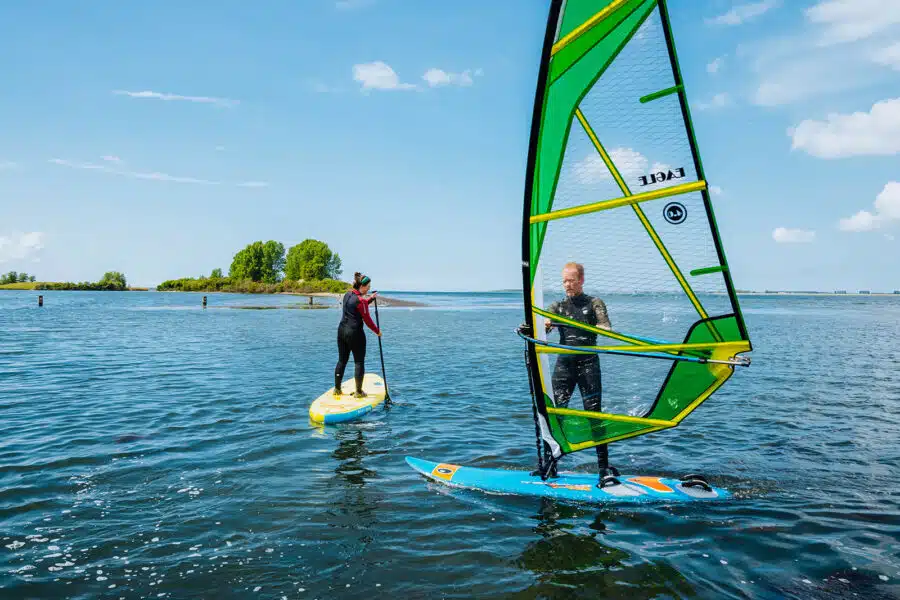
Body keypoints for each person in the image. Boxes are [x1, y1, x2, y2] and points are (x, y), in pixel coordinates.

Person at [544, 262, 618, 487]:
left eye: (571, 280)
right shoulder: (557, 306)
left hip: (588, 364)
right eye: (564, 281)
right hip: (564, 365)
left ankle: (603, 468)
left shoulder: (595, 303)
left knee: (594, 415)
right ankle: (550, 464)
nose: (567, 285)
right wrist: (542, 325)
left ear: (581, 280)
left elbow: (606, 327)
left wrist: (602, 329)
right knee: (555, 414)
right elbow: (545, 326)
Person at [334, 272, 381, 398]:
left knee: (342, 360)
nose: (369, 289)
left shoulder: (347, 294)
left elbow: (356, 306)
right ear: (362, 286)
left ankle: (337, 389)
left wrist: (370, 299)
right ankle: (359, 392)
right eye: (368, 287)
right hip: (355, 333)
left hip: (341, 331)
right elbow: (367, 319)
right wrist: (377, 331)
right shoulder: (361, 301)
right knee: (359, 362)